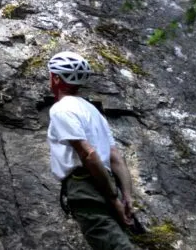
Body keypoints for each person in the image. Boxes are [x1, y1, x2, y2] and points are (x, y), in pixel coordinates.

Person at [47, 51, 136, 250]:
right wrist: (126, 197)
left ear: (56, 78)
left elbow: (89, 154)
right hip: (106, 180)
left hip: (85, 185)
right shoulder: (92, 110)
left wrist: (114, 200)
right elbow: (115, 157)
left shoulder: (61, 109)